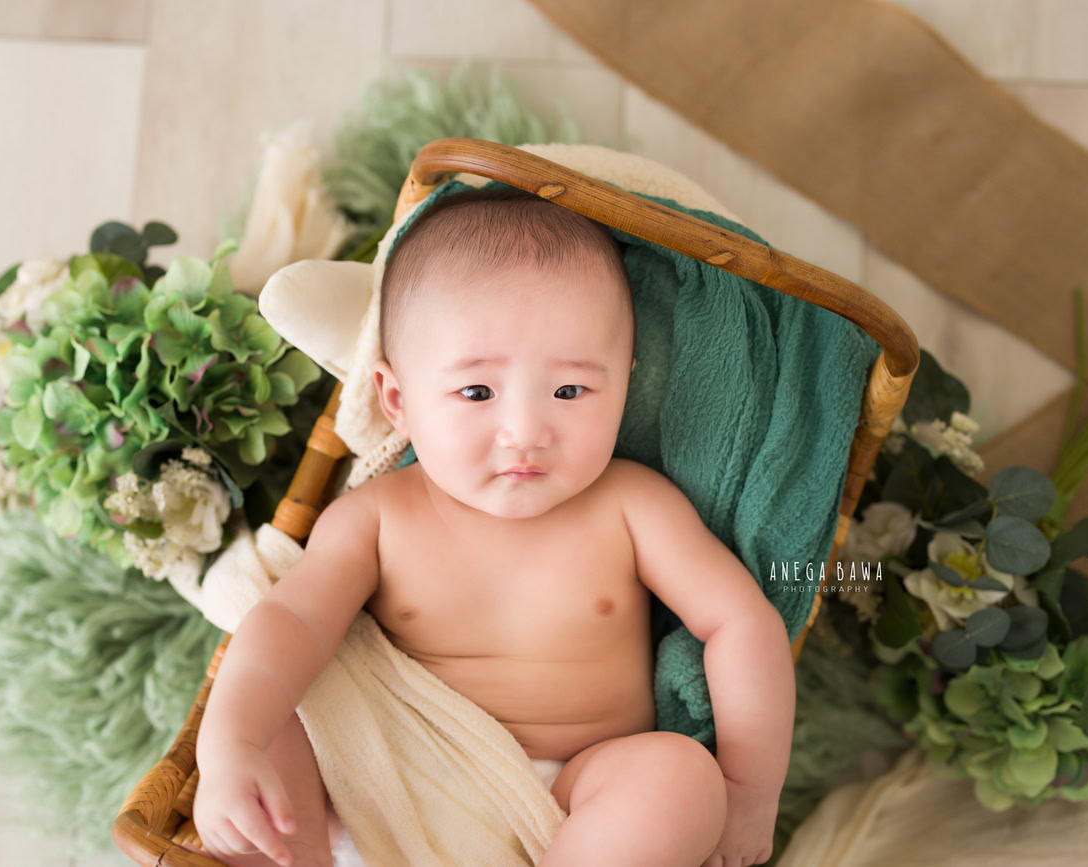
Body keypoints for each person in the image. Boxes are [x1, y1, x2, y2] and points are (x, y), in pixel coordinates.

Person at [187, 187, 795, 867]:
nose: (526, 432)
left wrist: (747, 789)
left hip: (571, 807)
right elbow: (291, 624)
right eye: (477, 392)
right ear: (399, 401)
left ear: (624, 384)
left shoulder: (633, 506)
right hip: (382, 785)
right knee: (274, 721)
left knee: (680, 777)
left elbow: (740, 622)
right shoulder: (377, 516)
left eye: (570, 391)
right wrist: (229, 749)